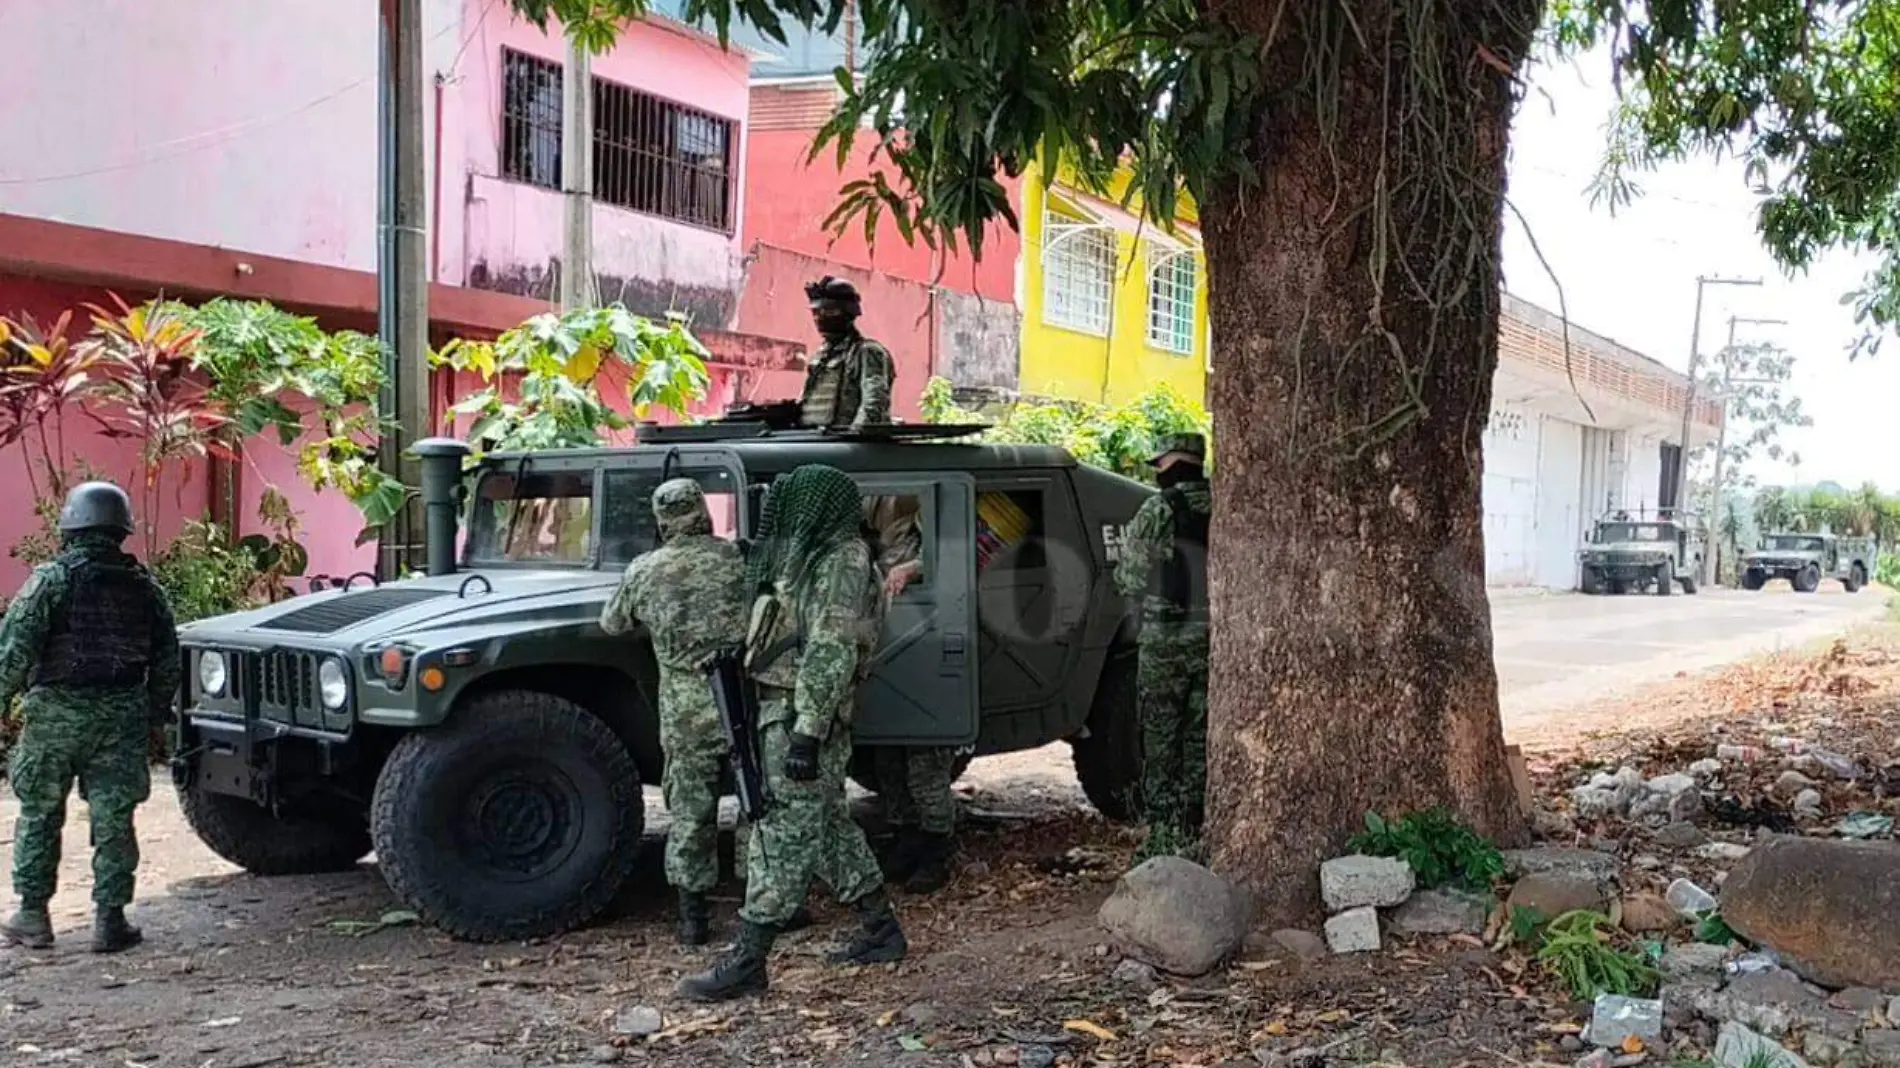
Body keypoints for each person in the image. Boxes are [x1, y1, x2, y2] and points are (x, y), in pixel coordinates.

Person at [679, 465, 906, 1001]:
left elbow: (831, 648)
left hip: (803, 718)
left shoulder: (842, 561)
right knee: (826, 828)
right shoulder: (817, 560)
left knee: (779, 833)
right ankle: (882, 930)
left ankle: (749, 959)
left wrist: (806, 734)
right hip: (790, 711)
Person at [1, 481, 179, 953]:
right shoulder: (145, 589)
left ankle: (33, 915)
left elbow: (13, 652)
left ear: (71, 523)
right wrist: (155, 719)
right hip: (121, 719)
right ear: (121, 528)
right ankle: (110, 920)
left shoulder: (50, 581)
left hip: (54, 718)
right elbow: (167, 658)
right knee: (114, 819)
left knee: (40, 813)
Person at [599, 478, 748, 947]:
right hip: (740, 700)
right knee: (755, 803)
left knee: (689, 810)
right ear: (702, 512)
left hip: (684, 708)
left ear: (662, 520)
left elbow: (613, 623)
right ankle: (760, 904)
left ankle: (693, 918)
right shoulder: (738, 558)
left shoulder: (645, 570)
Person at [1112, 434, 1212, 862]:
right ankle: (1195, 825)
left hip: (1166, 639)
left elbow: (1129, 579)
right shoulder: (1229, 501)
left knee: (1159, 738)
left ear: (1171, 461)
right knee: (1198, 736)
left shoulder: (1159, 508)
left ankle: (1162, 836)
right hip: (1212, 636)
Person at [859, 494, 958, 893]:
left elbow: (959, 559)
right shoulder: (867, 545)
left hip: (922, 658)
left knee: (925, 765)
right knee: (888, 762)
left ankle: (936, 850)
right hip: (884, 660)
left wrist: (917, 568)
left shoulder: (926, 538)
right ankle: (905, 839)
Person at [798, 276, 895, 430]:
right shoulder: (821, 355)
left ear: (847, 313)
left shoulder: (866, 352)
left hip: (845, 443)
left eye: (829, 311)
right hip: (815, 440)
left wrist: (854, 438)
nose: (819, 317)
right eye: (816, 312)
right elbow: (809, 401)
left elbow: (874, 404)